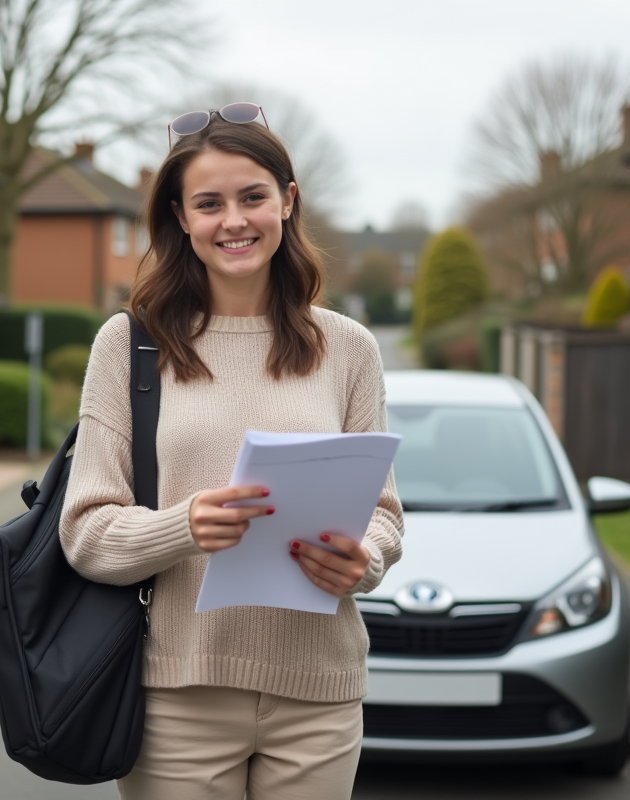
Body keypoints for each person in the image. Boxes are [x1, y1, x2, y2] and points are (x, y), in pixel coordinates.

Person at [61, 102, 403, 800]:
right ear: (182, 219)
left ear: (287, 200)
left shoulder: (348, 348)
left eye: (252, 196)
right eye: (208, 203)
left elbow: (386, 515)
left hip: (319, 693)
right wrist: (182, 526)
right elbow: (86, 533)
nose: (234, 220)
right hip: (174, 696)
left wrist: (363, 560)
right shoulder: (128, 346)